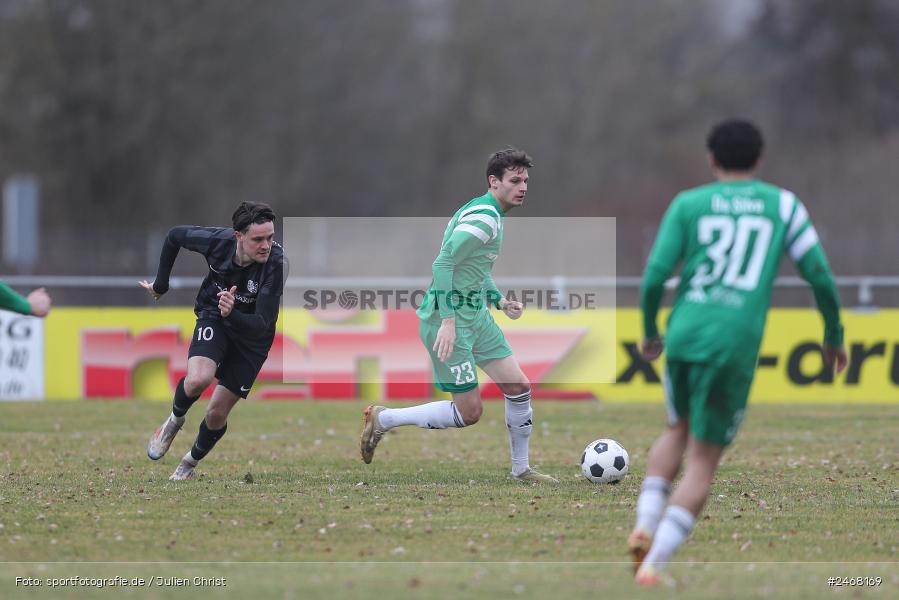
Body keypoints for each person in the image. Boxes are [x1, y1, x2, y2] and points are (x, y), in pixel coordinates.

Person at [628, 119, 848, 585]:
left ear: (711, 159)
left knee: (676, 428)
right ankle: (654, 564)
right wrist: (833, 334)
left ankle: (644, 524)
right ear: (760, 158)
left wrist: (649, 331)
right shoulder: (783, 205)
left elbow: (654, 278)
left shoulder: (688, 203)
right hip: (733, 340)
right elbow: (820, 277)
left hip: (684, 332)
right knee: (703, 461)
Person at [359, 147, 558, 484]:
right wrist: (449, 322)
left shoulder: (488, 212)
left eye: (525, 180)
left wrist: (498, 300)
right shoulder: (485, 218)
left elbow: (475, 268)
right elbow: (443, 263)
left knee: (518, 386)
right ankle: (384, 419)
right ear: (494, 182)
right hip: (448, 320)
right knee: (470, 413)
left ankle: (521, 470)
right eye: (514, 181)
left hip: (475, 316)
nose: (523, 187)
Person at [140, 202, 286, 480]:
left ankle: (188, 463)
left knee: (216, 414)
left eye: (270, 237)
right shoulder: (217, 242)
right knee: (198, 380)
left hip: (253, 339)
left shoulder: (276, 263)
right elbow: (174, 236)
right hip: (214, 314)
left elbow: (263, 323)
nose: (266, 246)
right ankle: (174, 420)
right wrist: (160, 285)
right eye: (258, 239)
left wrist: (233, 312)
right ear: (238, 236)